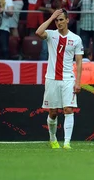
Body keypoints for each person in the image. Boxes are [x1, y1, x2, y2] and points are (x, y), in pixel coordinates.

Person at [36, 9, 83, 150]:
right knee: (53, 112)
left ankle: (67, 142)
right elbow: (38, 32)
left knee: (68, 109)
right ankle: (52, 138)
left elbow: (79, 62)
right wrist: (51, 17)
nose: (59, 22)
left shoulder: (76, 39)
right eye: (57, 20)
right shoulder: (51, 35)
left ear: (68, 20)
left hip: (68, 79)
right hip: (51, 79)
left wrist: (79, 82)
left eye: (61, 19)